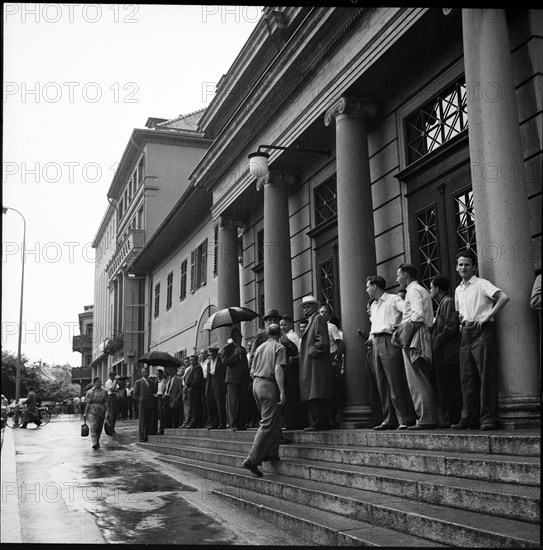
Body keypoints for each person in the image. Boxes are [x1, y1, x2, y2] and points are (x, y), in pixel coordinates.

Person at [453, 249, 510, 430]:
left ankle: (488, 419)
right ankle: (468, 418)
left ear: (474, 267)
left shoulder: (481, 284)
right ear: (457, 267)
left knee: (486, 375)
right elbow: (460, 312)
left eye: (467, 264)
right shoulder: (458, 290)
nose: (463, 267)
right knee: (467, 377)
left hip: (482, 331)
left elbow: (503, 298)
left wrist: (487, 316)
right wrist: (462, 323)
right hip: (466, 332)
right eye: (460, 264)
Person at [366, 275, 416, 430]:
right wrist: (370, 337)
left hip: (389, 340)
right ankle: (389, 419)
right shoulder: (373, 305)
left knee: (395, 380)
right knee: (381, 382)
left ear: (375, 286)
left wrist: (400, 327)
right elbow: (375, 323)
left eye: (368, 286)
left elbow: (409, 311)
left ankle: (404, 418)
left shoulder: (393, 299)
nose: (366, 290)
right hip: (376, 341)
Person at [242, 324, 287, 477]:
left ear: (268, 334)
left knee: (276, 419)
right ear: (279, 333)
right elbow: (278, 369)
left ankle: (272, 452)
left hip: (256, 384)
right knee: (267, 423)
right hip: (269, 384)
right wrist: (282, 392)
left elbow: (252, 370)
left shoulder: (260, 348)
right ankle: (252, 459)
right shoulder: (279, 347)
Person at [396, 263, 437, 430]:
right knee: (420, 376)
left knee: (416, 378)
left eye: (399, 275)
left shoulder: (412, 291)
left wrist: (403, 332)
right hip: (421, 334)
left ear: (406, 275)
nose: (397, 279)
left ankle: (426, 418)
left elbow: (418, 314)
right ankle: (426, 416)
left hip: (415, 336)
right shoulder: (420, 289)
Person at [430, 275, 462, 428]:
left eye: (431, 287)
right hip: (443, 352)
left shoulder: (447, 302)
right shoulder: (443, 303)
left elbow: (451, 327)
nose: (430, 290)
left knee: (450, 386)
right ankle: (449, 417)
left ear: (437, 288)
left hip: (448, 353)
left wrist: (438, 341)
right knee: (445, 386)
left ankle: (453, 417)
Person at [299, 295, 334, 431]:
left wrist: (312, 351)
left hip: (316, 363)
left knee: (317, 393)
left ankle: (319, 422)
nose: (305, 310)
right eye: (304, 307)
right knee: (313, 393)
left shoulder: (318, 319)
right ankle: (317, 422)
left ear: (314, 307)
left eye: (308, 306)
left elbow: (322, 341)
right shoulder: (311, 321)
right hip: (312, 363)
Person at [279, 315, 305, 430]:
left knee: (292, 394)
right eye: (281, 325)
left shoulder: (292, 337)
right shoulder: (284, 337)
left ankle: (292, 422)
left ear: (290, 325)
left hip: (292, 367)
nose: (282, 327)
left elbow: (294, 353)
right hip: (287, 366)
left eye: (284, 324)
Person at [222, 328, 250, 431]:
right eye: (240, 336)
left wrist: (247, 378)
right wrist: (234, 354)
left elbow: (245, 365)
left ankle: (241, 423)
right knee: (232, 402)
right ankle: (233, 423)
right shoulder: (227, 348)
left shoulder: (243, 349)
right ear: (234, 337)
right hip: (232, 379)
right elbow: (225, 362)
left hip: (243, 379)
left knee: (242, 402)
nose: (242, 338)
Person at [204, 346, 227, 429]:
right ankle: (214, 423)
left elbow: (223, 373)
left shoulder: (220, 361)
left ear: (216, 353)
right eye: (210, 352)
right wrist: (207, 387)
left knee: (220, 403)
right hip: (211, 383)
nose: (212, 354)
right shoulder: (209, 363)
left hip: (219, 383)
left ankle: (222, 423)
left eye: (213, 352)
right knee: (212, 403)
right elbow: (208, 376)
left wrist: (223, 386)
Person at [133, 366, 157, 442]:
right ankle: (141, 437)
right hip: (143, 404)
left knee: (150, 420)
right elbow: (135, 395)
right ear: (142, 373)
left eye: (147, 372)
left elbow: (154, 392)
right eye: (145, 372)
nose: (146, 373)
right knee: (142, 421)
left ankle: (148, 435)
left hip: (150, 403)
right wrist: (140, 399)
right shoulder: (138, 382)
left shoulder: (151, 382)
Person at [83, 377, 108, 450]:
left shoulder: (104, 392)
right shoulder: (90, 392)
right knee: (94, 426)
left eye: (100, 382)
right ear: (94, 383)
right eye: (98, 382)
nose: (100, 383)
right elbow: (88, 403)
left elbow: (106, 402)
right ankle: (94, 442)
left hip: (101, 411)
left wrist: (107, 411)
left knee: (99, 427)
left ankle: (97, 441)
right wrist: (85, 412)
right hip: (92, 411)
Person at [186, 354, 205, 428]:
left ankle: (194, 422)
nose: (191, 362)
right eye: (191, 360)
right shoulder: (192, 368)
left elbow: (196, 379)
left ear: (196, 360)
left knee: (195, 406)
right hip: (192, 389)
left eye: (193, 360)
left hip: (195, 390)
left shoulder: (197, 367)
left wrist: (191, 385)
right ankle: (195, 421)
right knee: (193, 406)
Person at [166, 364, 183, 429]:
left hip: (174, 399)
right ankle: (168, 427)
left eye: (171, 371)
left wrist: (176, 399)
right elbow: (166, 388)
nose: (170, 372)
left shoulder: (178, 379)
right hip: (167, 398)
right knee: (168, 415)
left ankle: (175, 427)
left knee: (175, 415)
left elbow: (180, 391)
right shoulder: (168, 379)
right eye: (169, 371)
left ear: (175, 371)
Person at [181, 357, 193, 428]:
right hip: (184, 388)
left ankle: (187, 421)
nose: (186, 363)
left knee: (188, 406)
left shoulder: (190, 369)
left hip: (187, 388)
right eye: (185, 362)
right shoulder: (186, 370)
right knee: (185, 406)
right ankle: (186, 421)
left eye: (187, 362)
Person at [156, 366, 167, 433]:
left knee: (161, 414)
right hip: (156, 397)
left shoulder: (164, 381)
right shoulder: (155, 381)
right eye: (157, 374)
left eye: (159, 374)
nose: (158, 375)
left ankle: (161, 428)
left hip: (161, 397)